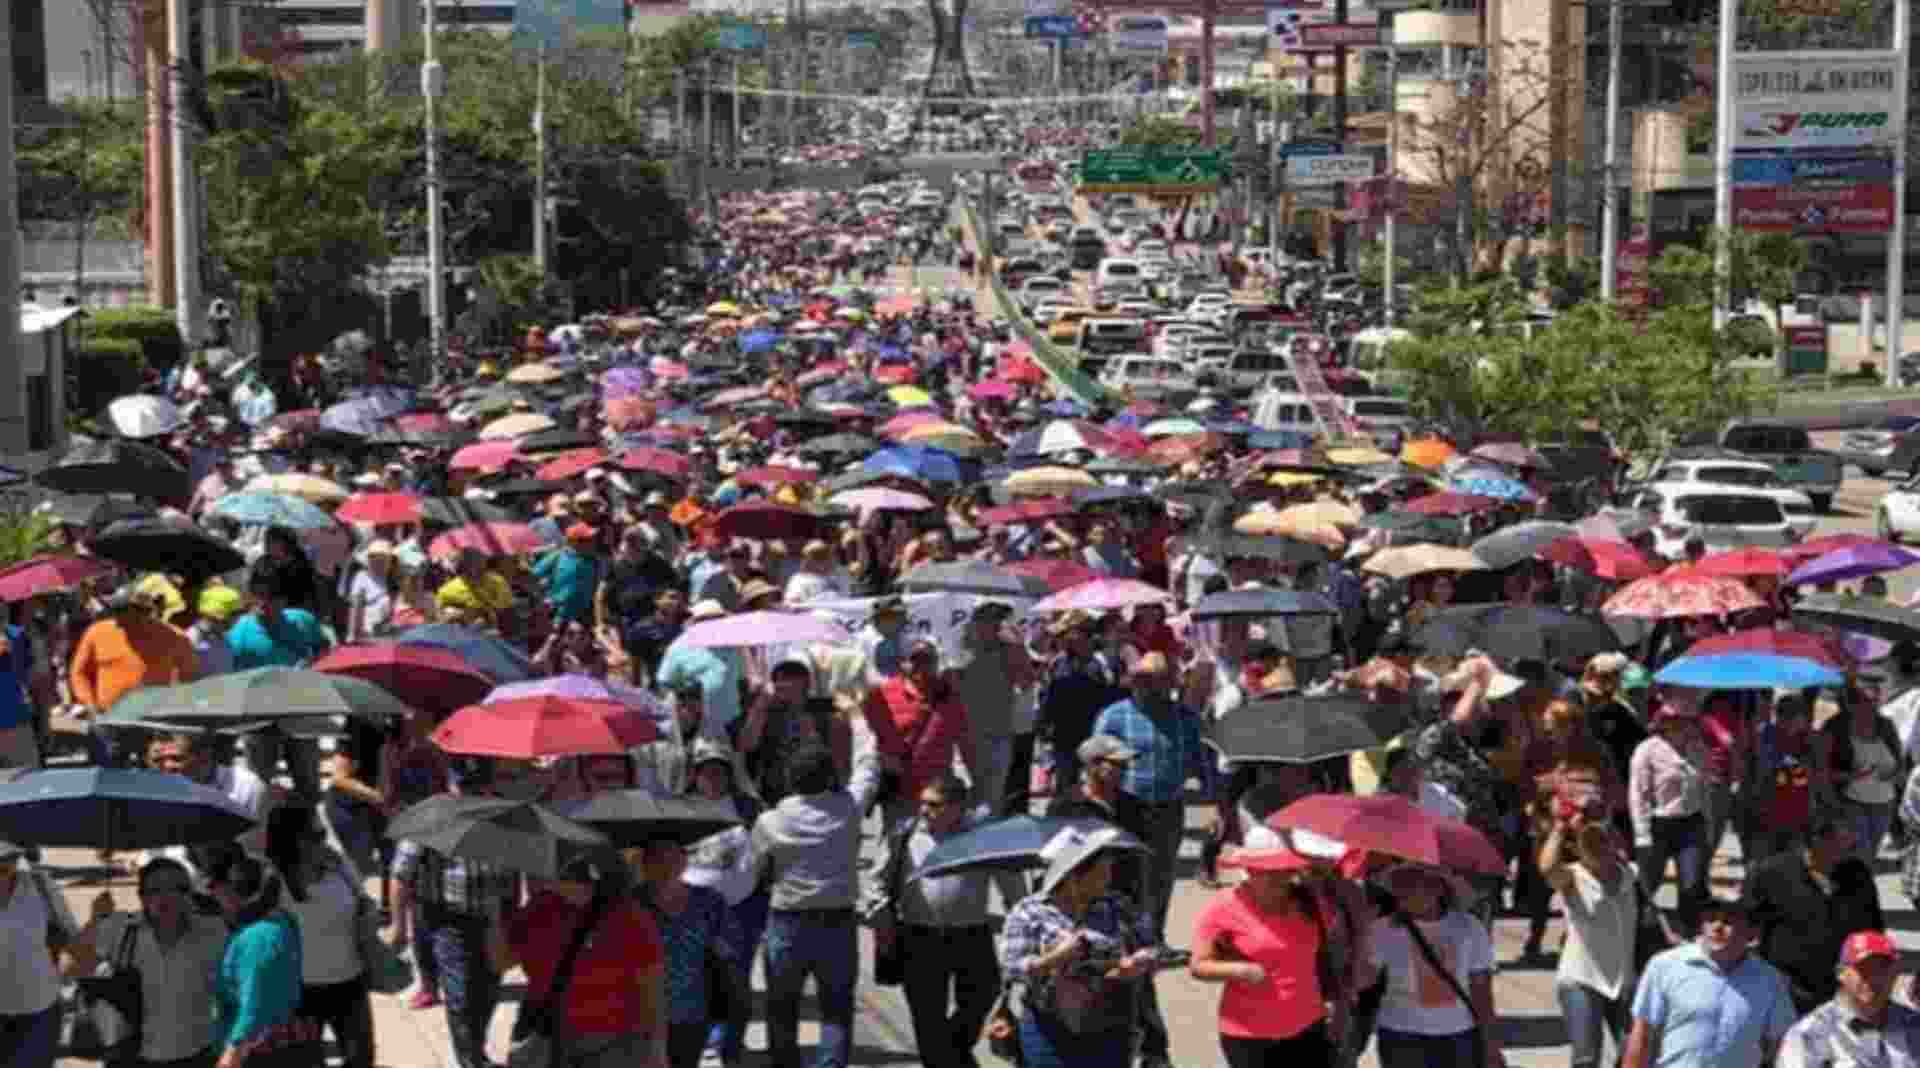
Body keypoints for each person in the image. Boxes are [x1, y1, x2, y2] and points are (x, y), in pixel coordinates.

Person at [749, 743, 888, 1068]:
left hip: (788, 922)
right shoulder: (848, 809)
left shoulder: (771, 821)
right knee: (836, 1010)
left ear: (790, 778)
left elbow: (755, 869)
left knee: (782, 1006)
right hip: (837, 923)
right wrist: (858, 718)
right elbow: (868, 771)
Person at [388, 764, 521, 1068]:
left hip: (495, 917)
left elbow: (520, 864)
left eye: (478, 787)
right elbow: (401, 875)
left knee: (488, 989)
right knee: (461, 994)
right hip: (449, 921)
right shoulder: (430, 819)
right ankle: (470, 1061)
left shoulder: (505, 815)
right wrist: (399, 926)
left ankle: (476, 1050)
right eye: (466, 788)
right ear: (452, 786)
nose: (472, 795)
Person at [864, 772, 1000, 1068]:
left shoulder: (982, 836)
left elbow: (1010, 879)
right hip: (920, 937)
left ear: (958, 807)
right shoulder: (905, 835)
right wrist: (881, 918)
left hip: (971, 934)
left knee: (983, 995)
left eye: (934, 805)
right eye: (923, 803)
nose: (924, 810)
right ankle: (947, 1059)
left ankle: (954, 1049)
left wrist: (1020, 909)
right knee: (927, 1017)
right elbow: (877, 882)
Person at [994, 824, 1157, 1068]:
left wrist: (1140, 962)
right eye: (1101, 873)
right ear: (1072, 878)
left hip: (1110, 1030)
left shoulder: (1117, 906)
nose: (1109, 879)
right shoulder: (1029, 912)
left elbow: (1154, 946)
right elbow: (1012, 968)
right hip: (1047, 1032)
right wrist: (1054, 958)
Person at [494, 860, 669, 1068]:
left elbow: (653, 989)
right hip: (550, 1037)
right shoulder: (538, 909)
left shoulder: (629, 915)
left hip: (611, 1043)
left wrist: (657, 1050)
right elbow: (501, 961)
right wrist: (496, 911)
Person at [64, 857, 226, 1068]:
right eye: (156, 889)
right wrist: (95, 920)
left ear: (190, 895)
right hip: (131, 1056)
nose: (167, 896)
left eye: (178, 888)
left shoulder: (213, 931)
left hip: (195, 1056)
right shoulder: (122, 928)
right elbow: (68, 966)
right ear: (142, 897)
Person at [1189, 843, 1335, 1068]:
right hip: (1249, 1034)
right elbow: (1199, 965)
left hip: (1310, 1026)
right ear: (1249, 870)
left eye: (1284, 870)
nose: (1278, 878)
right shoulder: (1223, 907)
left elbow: (1327, 957)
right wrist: (1241, 970)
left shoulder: (1310, 903)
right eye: (1267, 871)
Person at [1623, 895, 1797, 1068]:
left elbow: (1784, 1044)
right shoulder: (1665, 966)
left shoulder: (1770, 980)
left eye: (1728, 921)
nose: (1717, 927)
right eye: (1711, 919)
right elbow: (1642, 1035)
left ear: (1751, 932)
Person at [265, 806, 374, 1068]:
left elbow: (366, 901)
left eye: (322, 833)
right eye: (314, 834)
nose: (322, 841)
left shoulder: (339, 867)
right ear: (291, 840)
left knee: (360, 1060)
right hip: (299, 994)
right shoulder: (272, 881)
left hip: (351, 984)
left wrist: (367, 915)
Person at [1539, 790, 1641, 1068]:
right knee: (1586, 1059)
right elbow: (1547, 867)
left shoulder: (1629, 874)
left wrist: (1600, 813)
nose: (1599, 845)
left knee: (1636, 1056)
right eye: (1590, 840)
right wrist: (1560, 827)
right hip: (1581, 981)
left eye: (1603, 840)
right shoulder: (1572, 876)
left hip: (1624, 983)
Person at [1365, 863, 1503, 1068]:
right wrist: (1360, 933)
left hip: (1459, 1036)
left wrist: (1491, 1046)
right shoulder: (1382, 930)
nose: (1404, 891)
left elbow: (1481, 992)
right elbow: (1362, 982)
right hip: (1401, 1037)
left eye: (1413, 883)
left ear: (1438, 888)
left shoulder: (1469, 927)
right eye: (1399, 885)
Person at [1743, 814, 1883, 1013]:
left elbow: (1873, 929)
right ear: (1817, 840)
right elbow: (1748, 927)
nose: (1851, 845)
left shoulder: (1858, 874)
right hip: (1786, 990)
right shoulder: (1771, 873)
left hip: (1842, 988)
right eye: (1843, 839)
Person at [204, 851, 325, 1068]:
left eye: (215, 890)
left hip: (261, 1053)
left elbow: (253, 1009)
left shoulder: (257, 937)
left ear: (232, 890)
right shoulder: (279, 919)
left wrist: (229, 1058)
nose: (214, 897)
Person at [636, 837, 744, 1068]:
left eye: (673, 859)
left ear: (685, 863)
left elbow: (732, 946)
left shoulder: (709, 901)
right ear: (644, 866)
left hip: (693, 1011)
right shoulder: (631, 903)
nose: (666, 867)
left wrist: (718, 946)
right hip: (640, 1012)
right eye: (658, 860)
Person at [863, 638, 969, 826]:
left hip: (936, 790)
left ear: (936, 663)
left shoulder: (951, 695)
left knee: (936, 844)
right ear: (902, 663)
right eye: (915, 659)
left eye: (928, 660)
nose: (922, 665)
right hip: (899, 789)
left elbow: (964, 740)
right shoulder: (881, 694)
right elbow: (869, 735)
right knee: (897, 842)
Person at [1776, 930, 1920, 1068]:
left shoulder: (1914, 1025)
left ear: (1895, 973)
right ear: (1841, 973)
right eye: (1864, 969)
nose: (1874, 979)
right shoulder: (1810, 1034)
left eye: (1882, 969)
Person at [1629, 702, 1710, 933]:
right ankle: (1638, 932)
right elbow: (1638, 793)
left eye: (1686, 721)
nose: (1682, 726)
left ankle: (1688, 933)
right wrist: (1642, 832)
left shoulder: (1697, 748)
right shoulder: (1647, 750)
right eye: (1676, 721)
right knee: (1647, 885)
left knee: (1692, 884)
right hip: (1659, 824)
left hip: (1691, 822)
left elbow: (1704, 784)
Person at [0, 838, 76, 1067]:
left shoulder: (40, 883)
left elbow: (70, 935)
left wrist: (67, 958)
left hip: (39, 1012)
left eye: (8, 858)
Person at [533, 523, 604, 625]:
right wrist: (542, 596)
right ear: (574, 542)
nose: (593, 543)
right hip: (558, 615)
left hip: (585, 617)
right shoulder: (558, 556)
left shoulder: (595, 561)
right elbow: (532, 576)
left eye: (592, 540)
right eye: (587, 540)